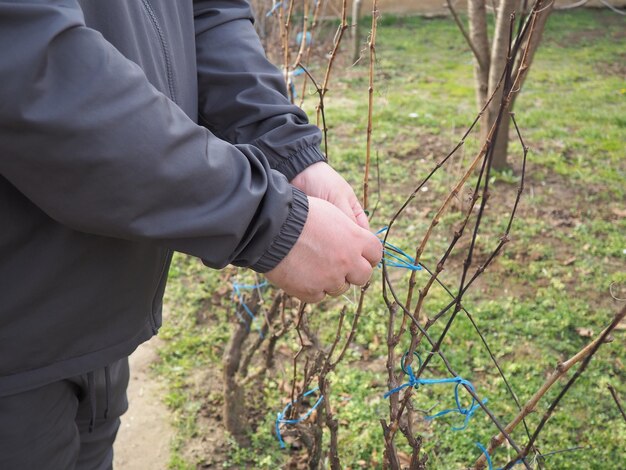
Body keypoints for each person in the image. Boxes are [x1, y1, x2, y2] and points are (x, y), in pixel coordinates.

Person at [0, 0, 382, 468]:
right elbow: (31, 71)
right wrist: (266, 221)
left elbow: (208, 14)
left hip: (98, 328)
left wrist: (288, 151)